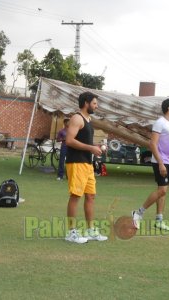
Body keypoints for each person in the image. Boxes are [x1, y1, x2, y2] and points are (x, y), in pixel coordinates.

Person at [65, 91, 108, 243]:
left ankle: (90, 231)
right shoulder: (77, 118)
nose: (96, 106)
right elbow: (69, 140)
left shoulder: (88, 120)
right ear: (86, 103)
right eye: (95, 103)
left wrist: (95, 147)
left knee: (90, 196)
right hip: (76, 162)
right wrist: (91, 148)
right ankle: (71, 232)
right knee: (76, 196)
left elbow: (83, 142)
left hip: (87, 164)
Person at [132, 98, 169, 231]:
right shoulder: (159, 123)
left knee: (163, 192)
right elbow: (152, 144)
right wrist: (161, 163)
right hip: (160, 162)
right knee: (162, 190)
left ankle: (159, 220)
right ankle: (138, 212)